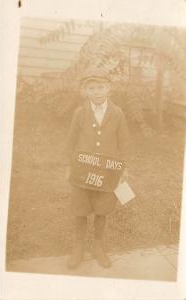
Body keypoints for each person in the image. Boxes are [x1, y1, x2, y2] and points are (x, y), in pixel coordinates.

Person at [64, 66, 130, 269]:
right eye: (91, 88)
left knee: (102, 208)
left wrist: (124, 169)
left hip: (108, 171)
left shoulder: (117, 113)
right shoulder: (80, 113)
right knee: (80, 208)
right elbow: (71, 141)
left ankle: (98, 245)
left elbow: (124, 143)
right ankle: (79, 247)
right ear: (85, 91)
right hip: (82, 170)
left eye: (100, 87)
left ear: (108, 88)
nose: (96, 92)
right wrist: (69, 165)